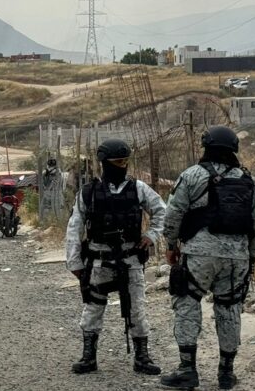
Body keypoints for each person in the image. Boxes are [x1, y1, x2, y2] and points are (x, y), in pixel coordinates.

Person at [161, 126, 255, 390]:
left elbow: (173, 215)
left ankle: (187, 369)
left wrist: (171, 244)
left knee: (187, 302)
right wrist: (250, 257)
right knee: (229, 309)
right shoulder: (249, 181)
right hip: (237, 259)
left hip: (199, 254)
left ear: (206, 147)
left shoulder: (192, 175)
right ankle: (226, 373)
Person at [64, 139, 166, 376]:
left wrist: (151, 235)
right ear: (105, 164)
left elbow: (162, 211)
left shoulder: (138, 188)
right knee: (93, 307)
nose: (123, 166)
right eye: (118, 162)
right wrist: (74, 261)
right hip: (99, 260)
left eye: (125, 161)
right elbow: (75, 226)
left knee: (137, 309)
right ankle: (89, 356)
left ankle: (142, 357)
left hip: (130, 259)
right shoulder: (88, 192)